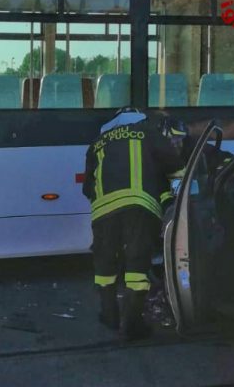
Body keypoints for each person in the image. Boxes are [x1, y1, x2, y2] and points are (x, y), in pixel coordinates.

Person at [83, 108, 188, 340]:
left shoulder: (98, 142)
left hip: (102, 211)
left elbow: (87, 187)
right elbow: (174, 166)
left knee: (105, 264)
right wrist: (177, 196)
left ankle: (109, 315)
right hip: (139, 206)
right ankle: (132, 324)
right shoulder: (148, 132)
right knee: (136, 263)